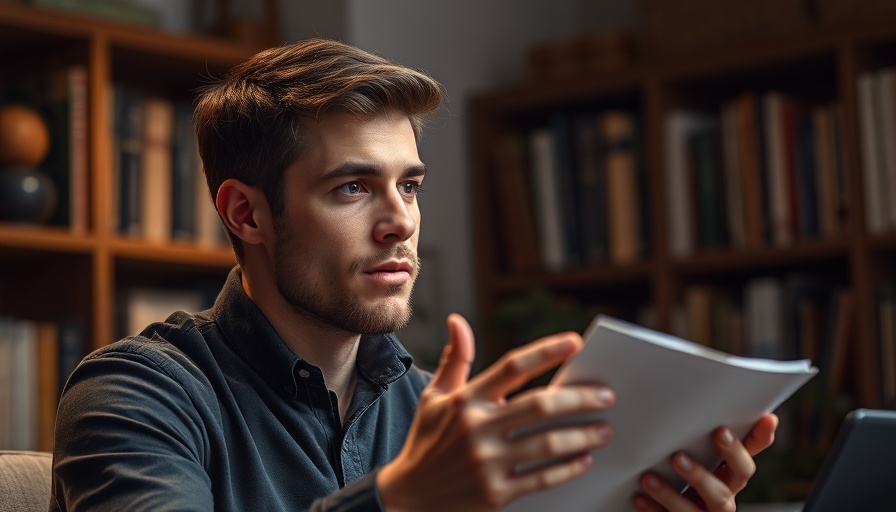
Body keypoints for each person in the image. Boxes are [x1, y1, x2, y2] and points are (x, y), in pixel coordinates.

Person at [50, 38, 777, 511]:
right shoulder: (134, 395)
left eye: (411, 186)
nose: (400, 220)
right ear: (247, 215)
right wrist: (401, 500)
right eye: (353, 188)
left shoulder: (443, 413)